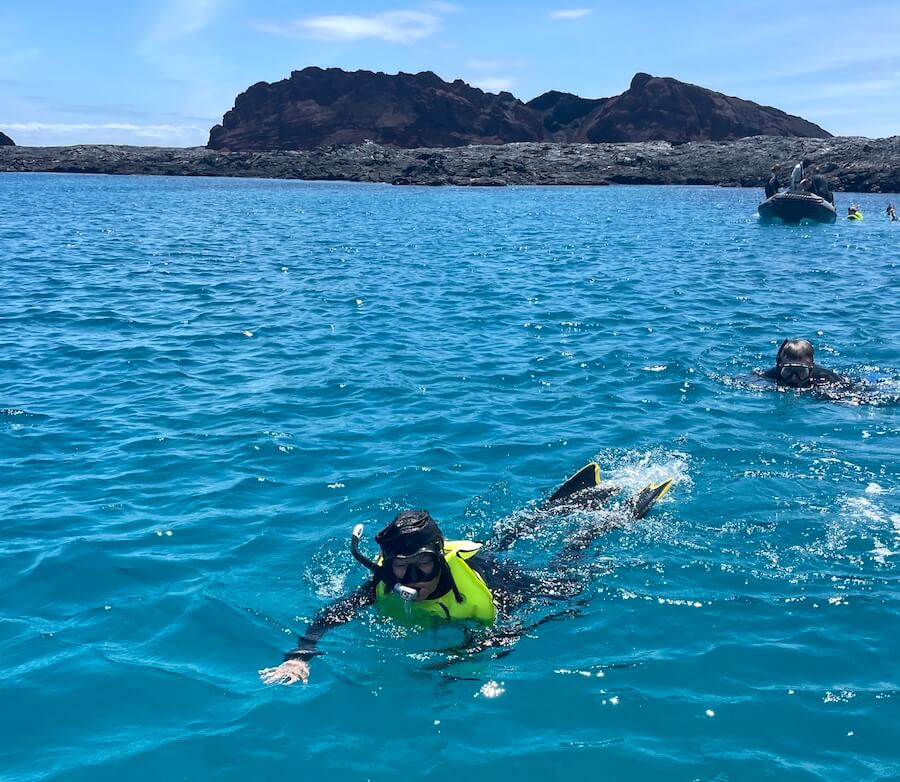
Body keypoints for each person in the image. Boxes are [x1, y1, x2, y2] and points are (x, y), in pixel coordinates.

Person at [259, 465, 673, 685]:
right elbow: (331, 615)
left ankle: (603, 523)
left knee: (563, 580)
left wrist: (459, 658)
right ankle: (552, 511)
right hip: (468, 565)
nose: (412, 579)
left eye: (422, 566)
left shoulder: (481, 590)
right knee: (501, 536)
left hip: (498, 577)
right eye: (400, 568)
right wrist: (299, 657)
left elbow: (509, 634)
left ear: (438, 561)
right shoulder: (386, 579)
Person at [761, 339, 844, 389]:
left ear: (811, 368)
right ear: (779, 366)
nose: (794, 378)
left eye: (801, 372)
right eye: (788, 371)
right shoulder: (770, 375)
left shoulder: (826, 378)